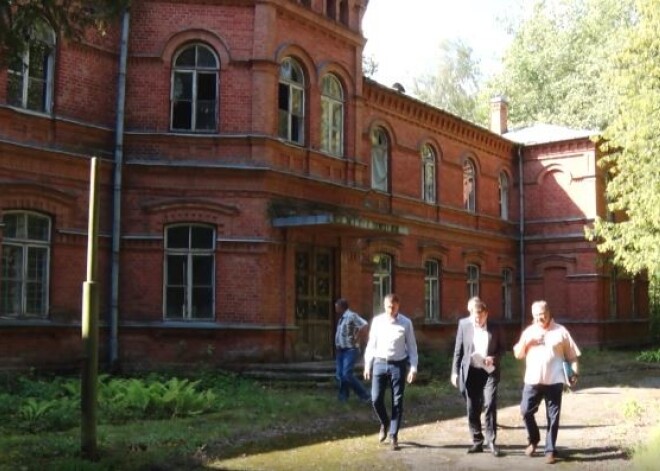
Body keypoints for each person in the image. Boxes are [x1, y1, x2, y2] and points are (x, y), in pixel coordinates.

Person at [513, 300, 581, 465]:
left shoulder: (561, 331)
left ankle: (550, 450)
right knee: (525, 410)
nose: (538, 318)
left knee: (553, 416)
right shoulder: (529, 332)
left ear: (549, 312)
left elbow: (572, 356)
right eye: (535, 316)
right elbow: (518, 354)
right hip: (532, 380)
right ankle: (534, 439)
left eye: (541, 315)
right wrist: (528, 343)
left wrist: (574, 374)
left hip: (554, 380)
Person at [363, 293, 418, 451]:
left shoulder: (406, 323)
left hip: (398, 365)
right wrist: (368, 365)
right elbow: (371, 345)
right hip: (380, 363)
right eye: (388, 307)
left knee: (397, 401)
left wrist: (413, 367)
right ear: (384, 306)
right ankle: (385, 422)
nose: (390, 310)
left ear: (398, 306)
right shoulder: (378, 322)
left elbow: (412, 347)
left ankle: (394, 435)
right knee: (375, 398)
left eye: (393, 307)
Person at [450, 297, 504, 457]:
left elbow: (502, 349)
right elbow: (458, 350)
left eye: (480, 317)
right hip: (471, 371)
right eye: (475, 317)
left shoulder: (495, 327)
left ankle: (491, 442)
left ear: (486, 314)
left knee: (490, 403)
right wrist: (454, 372)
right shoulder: (464, 325)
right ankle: (477, 441)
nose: (478, 320)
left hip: (489, 372)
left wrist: (493, 357)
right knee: (472, 407)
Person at [334, 298, 371, 403]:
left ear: (342, 307)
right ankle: (343, 397)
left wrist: (357, 337)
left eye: (337, 307)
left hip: (350, 349)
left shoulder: (351, 316)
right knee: (340, 375)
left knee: (347, 374)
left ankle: (365, 395)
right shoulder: (341, 318)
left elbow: (364, 324)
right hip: (341, 350)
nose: (336, 309)